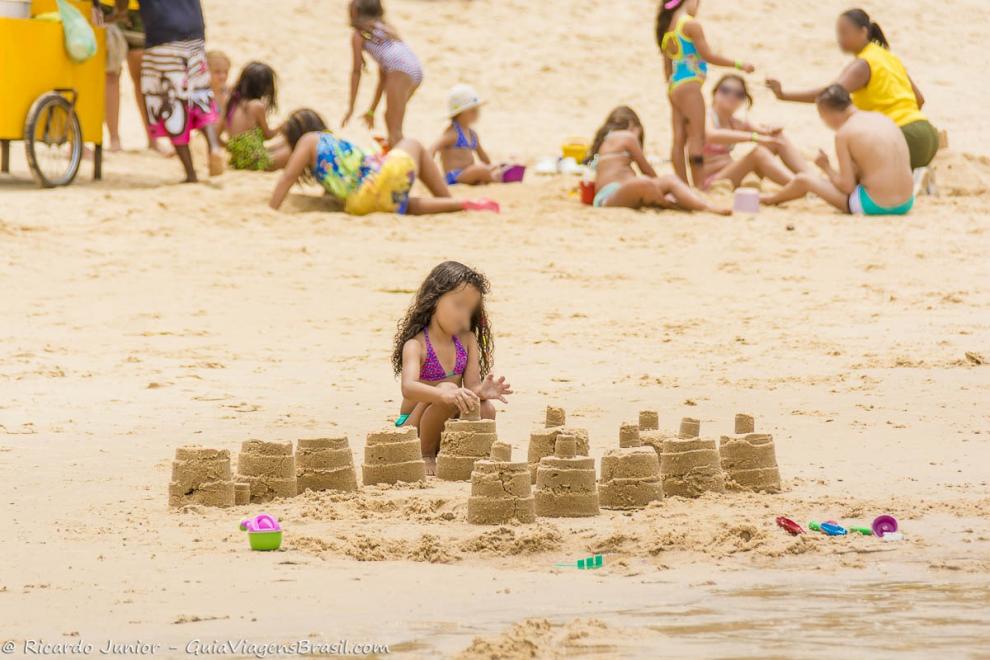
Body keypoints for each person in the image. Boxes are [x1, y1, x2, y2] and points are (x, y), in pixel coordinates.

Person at [766, 8, 938, 171]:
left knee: (855, 165)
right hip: (927, 134)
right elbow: (919, 99)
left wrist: (784, 95)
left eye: (844, 32)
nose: (839, 39)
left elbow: (830, 95)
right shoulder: (888, 57)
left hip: (902, 136)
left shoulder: (864, 63)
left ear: (863, 32)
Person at [392, 261, 512, 474]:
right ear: (434, 299)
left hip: (447, 420)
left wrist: (481, 391)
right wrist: (442, 395)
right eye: (458, 305)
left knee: (484, 407)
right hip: (413, 427)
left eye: (469, 308)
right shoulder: (417, 345)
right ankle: (426, 454)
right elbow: (408, 387)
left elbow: (471, 386)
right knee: (448, 388)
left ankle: (467, 451)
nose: (463, 315)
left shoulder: (467, 340)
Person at [269, 109, 500, 215]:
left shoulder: (321, 163)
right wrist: (272, 210)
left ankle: (459, 204)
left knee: (403, 203)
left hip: (359, 203)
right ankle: (453, 201)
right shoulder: (313, 139)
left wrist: (273, 208)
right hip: (377, 178)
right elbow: (287, 177)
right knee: (414, 144)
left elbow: (289, 177)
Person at [114, 0, 224, 182]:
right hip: (194, 30)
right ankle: (214, 147)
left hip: (162, 34)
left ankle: (190, 173)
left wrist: (119, 13)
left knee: (170, 103)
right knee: (199, 94)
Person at [761, 86, 914, 216]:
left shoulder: (844, 133)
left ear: (826, 112)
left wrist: (825, 167)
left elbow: (847, 186)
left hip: (875, 205)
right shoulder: (881, 118)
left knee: (804, 180)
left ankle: (769, 200)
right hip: (906, 202)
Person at [656, 0, 755, 188]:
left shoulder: (669, 26)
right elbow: (708, 55)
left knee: (678, 139)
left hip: (674, 86)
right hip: (690, 85)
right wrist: (739, 64)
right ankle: (699, 185)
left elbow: (667, 67)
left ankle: (683, 185)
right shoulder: (691, 24)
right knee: (696, 137)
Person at [586, 106, 730, 214]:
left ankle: (703, 207)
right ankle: (695, 206)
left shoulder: (606, 142)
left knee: (663, 181)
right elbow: (646, 169)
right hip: (610, 195)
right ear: (633, 125)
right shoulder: (628, 137)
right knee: (650, 182)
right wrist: (661, 186)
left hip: (617, 194)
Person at [702, 75, 811, 190]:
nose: (731, 96)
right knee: (758, 153)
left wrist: (771, 130)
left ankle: (811, 178)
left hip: (732, 174)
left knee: (776, 138)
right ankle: (802, 185)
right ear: (715, 93)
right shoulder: (706, 115)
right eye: (726, 90)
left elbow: (766, 134)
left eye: (739, 94)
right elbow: (711, 135)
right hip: (713, 181)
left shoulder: (735, 122)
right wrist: (754, 137)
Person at [342, 0, 423, 148]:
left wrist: (351, 108)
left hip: (400, 69)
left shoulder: (359, 35)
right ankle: (395, 151)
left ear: (355, 12)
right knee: (390, 119)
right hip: (415, 69)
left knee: (394, 126)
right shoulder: (386, 30)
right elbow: (383, 78)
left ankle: (402, 164)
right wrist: (372, 110)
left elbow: (356, 72)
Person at [93, 0, 170, 154]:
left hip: (140, 9)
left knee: (143, 76)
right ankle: (114, 139)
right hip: (107, 7)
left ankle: (152, 138)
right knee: (111, 74)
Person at [431, 85, 504, 186]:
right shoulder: (452, 133)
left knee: (483, 169)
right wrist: (431, 171)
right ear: (460, 113)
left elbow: (482, 155)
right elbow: (432, 148)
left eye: (477, 110)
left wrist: (491, 166)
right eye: (473, 111)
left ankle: (490, 176)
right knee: (479, 170)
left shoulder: (472, 134)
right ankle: (494, 178)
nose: (477, 113)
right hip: (455, 175)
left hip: (470, 172)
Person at [224, 62, 287, 171]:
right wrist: (282, 126)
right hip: (255, 162)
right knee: (291, 149)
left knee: (283, 144)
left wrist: (232, 147)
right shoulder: (256, 105)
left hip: (238, 161)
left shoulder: (233, 101)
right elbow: (268, 135)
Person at [206, 50, 232, 128]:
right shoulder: (203, 95)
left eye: (226, 72)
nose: (223, 76)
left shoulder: (229, 91)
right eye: (217, 72)